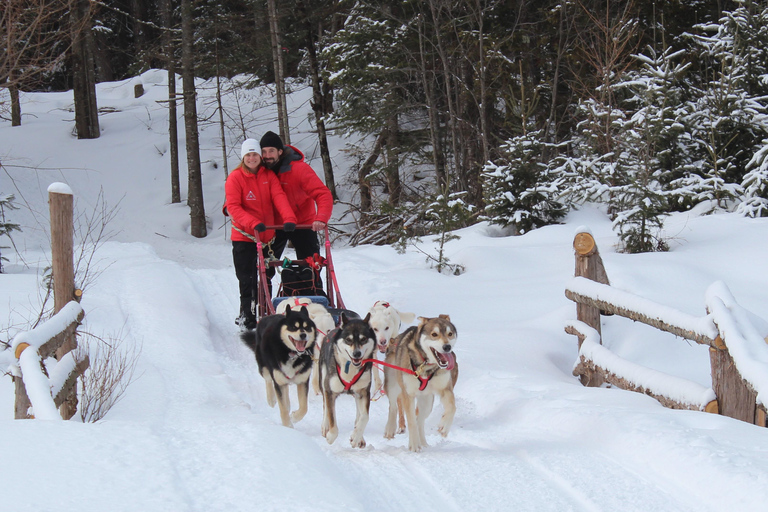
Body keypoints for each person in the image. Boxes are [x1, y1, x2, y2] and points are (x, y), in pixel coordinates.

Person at [225, 138, 297, 330]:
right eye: (248, 155)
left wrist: (289, 217)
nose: (252, 158)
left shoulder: (268, 176)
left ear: (259, 156)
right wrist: (253, 222)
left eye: (255, 154)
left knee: (266, 273)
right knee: (246, 276)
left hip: (266, 236)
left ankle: (265, 309)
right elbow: (233, 206)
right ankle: (246, 313)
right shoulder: (236, 178)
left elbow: (279, 197)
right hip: (245, 236)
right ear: (243, 157)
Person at [259, 131, 334, 288]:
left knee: (312, 266)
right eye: (264, 152)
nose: (267, 155)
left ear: (280, 151)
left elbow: (323, 194)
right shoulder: (260, 172)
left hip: (302, 223)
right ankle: (263, 305)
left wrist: (321, 218)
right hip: (275, 226)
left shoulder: (299, 169)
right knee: (265, 267)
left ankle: (315, 298)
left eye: (271, 151)